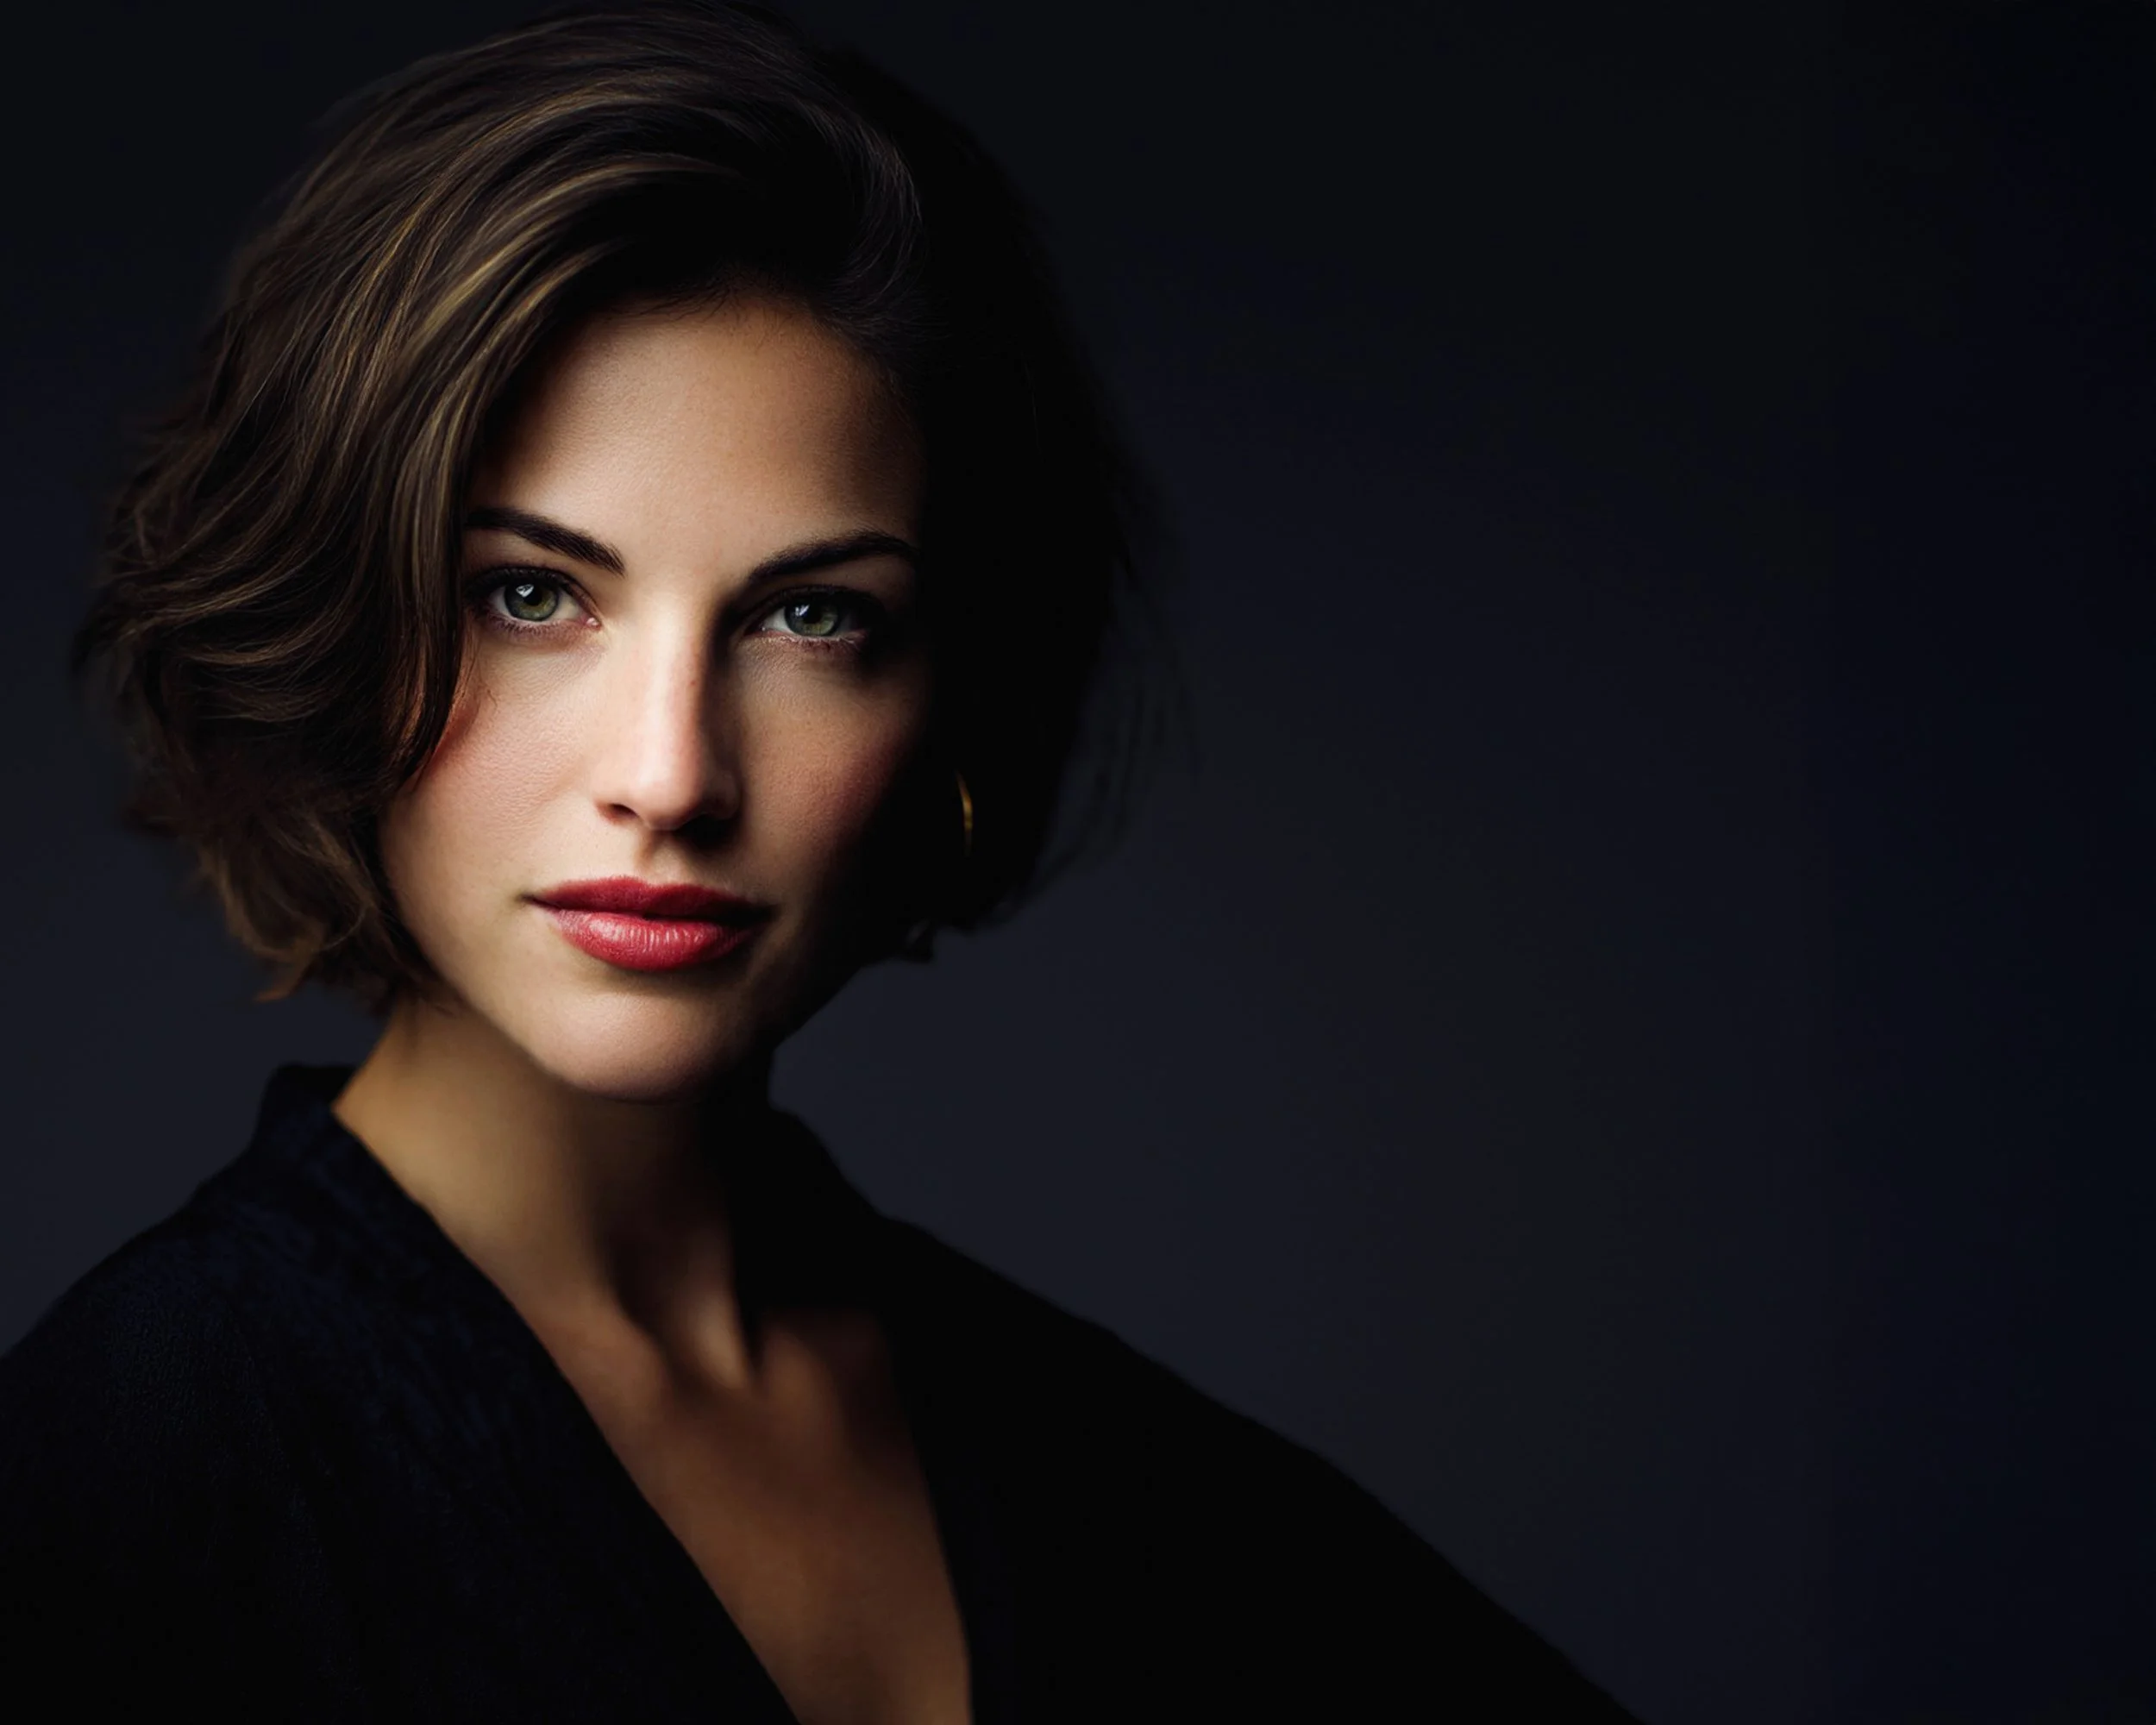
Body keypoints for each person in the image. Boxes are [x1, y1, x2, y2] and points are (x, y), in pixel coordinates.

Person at [0, 3, 1638, 1720]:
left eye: (808, 616)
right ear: (337, 632)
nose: (670, 774)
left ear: (944, 704)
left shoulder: (1128, 1483)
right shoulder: (122, 1479)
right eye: (530, 594)